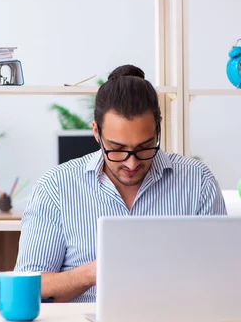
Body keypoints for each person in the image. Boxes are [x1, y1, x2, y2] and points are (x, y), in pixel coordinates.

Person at [14, 64, 227, 303]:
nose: (132, 163)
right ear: (96, 132)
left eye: (144, 147)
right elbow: (27, 286)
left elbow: (224, 278)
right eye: (117, 149)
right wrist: (90, 274)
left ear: (159, 127)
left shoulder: (198, 182)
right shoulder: (55, 187)